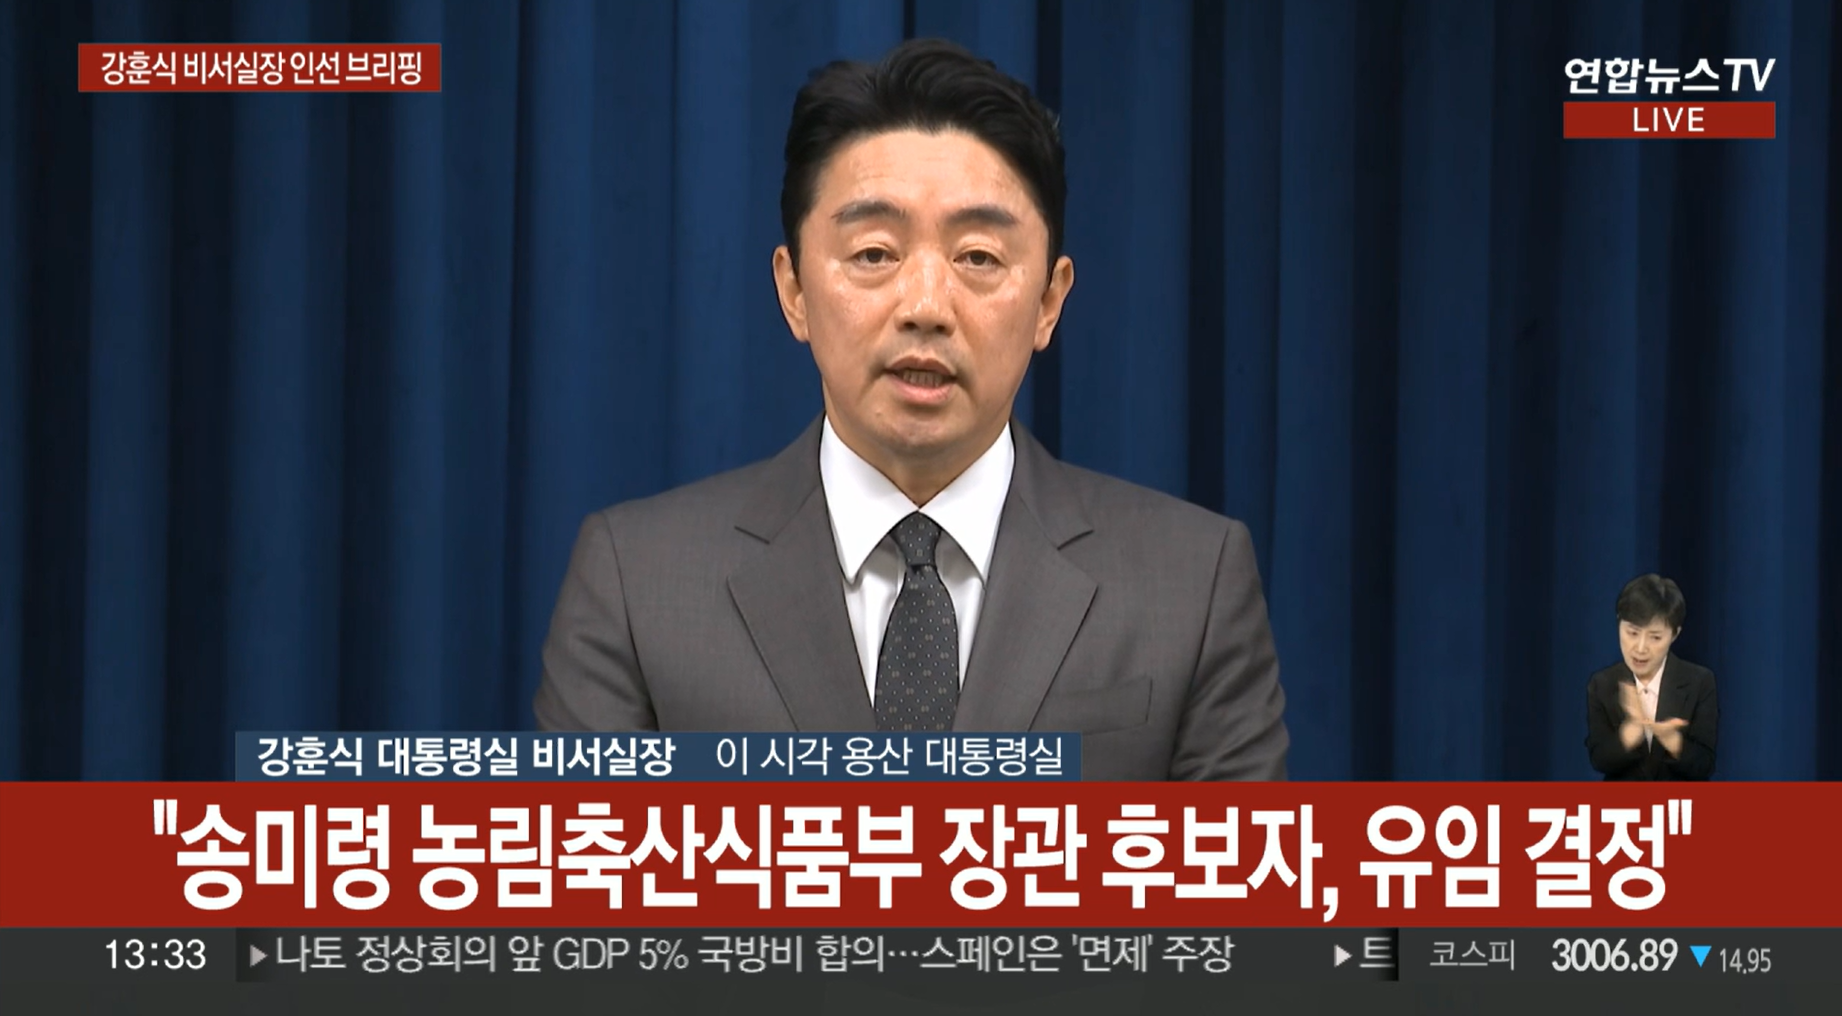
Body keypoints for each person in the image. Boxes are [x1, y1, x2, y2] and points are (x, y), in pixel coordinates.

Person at [532, 39, 1289, 781]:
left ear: (1048, 302)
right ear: (794, 290)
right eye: (874, 254)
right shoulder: (637, 584)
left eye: (978, 258)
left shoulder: (1193, 584)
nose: (926, 306)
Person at [1584, 574, 1718, 780]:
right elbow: (1599, 759)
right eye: (1632, 633)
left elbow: (1705, 765)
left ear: (1674, 634)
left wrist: (1672, 741)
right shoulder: (1602, 684)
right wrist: (1630, 733)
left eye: (1655, 637)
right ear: (1619, 624)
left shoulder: (1699, 682)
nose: (1640, 648)